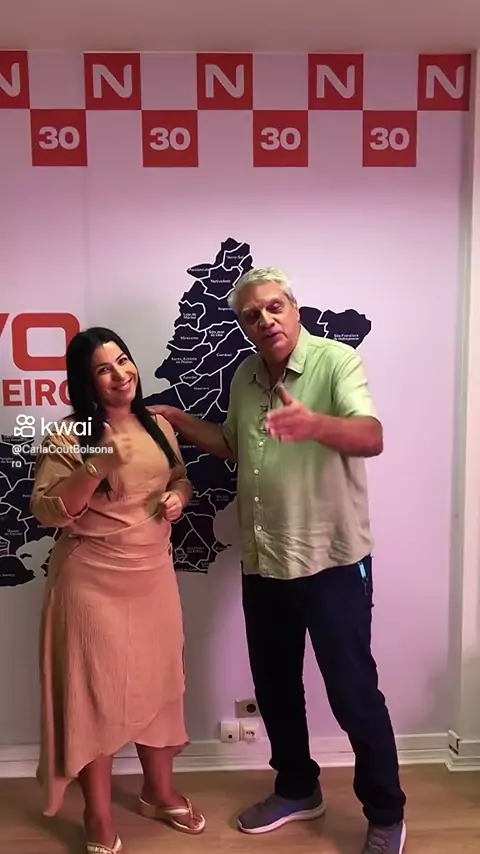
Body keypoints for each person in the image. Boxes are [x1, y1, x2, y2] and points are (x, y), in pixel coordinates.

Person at [150, 268, 407, 854]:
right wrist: (180, 422)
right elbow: (234, 445)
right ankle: (296, 788)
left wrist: (315, 425)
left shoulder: (335, 362)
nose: (265, 320)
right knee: (276, 689)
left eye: (274, 307)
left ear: (294, 308)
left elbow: (371, 436)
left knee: (353, 693)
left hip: (331, 561)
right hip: (264, 561)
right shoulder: (243, 376)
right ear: (243, 327)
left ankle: (386, 811)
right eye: (251, 315)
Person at [30, 327, 205, 854]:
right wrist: (97, 464)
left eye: (123, 360)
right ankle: (98, 814)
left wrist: (179, 496)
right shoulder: (72, 434)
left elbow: (178, 475)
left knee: (162, 685)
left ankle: (158, 792)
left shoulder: (157, 424)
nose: (120, 374)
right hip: (92, 583)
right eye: (103, 369)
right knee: (94, 699)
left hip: (153, 577)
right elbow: (48, 511)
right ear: (86, 383)